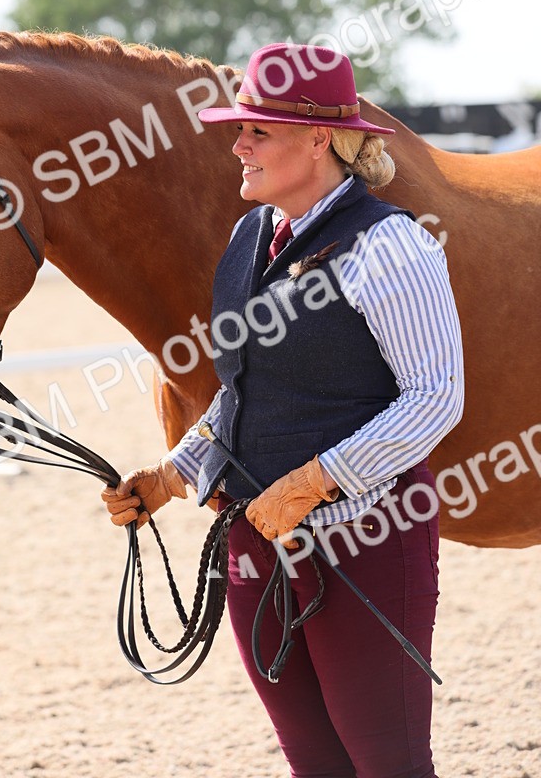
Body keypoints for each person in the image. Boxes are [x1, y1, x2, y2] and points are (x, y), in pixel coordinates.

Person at [101, 42, 464, 778]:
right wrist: (171, 478)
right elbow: (245, 393)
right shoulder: (247, 239)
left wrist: (312, 483)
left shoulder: (390, 246)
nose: (238, 145)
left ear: (320, 137)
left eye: (257, 131)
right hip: (254, 542)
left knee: (388, 760)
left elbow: (436, 397)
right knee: (312, 761)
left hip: (365, 539)